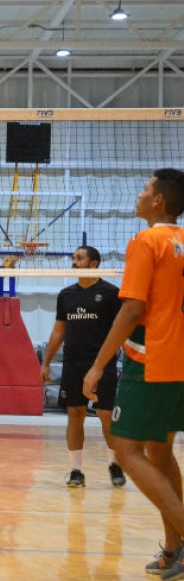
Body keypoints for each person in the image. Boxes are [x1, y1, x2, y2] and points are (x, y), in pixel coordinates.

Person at [83, 168, 184, 579]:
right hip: (179, 360)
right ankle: (174, 551)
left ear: (158, 200)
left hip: (150, 360)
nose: (139, 195)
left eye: (145, 190)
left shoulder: (148, 240)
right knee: (160, 452)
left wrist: (98, 364)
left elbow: (131, 309)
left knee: (126, 452)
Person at [39, 246, 123, 489]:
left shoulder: (110, 293)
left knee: (107, 416)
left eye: (80, 258)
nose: (74, 262)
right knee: (75, 416)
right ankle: (76, 470)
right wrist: (45, 363)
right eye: (74, 258)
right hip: (73, 364)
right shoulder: (66, 295)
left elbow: (121, 329)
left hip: (101, 364)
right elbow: (58, 331)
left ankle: (114, 463)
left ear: (94, 263)